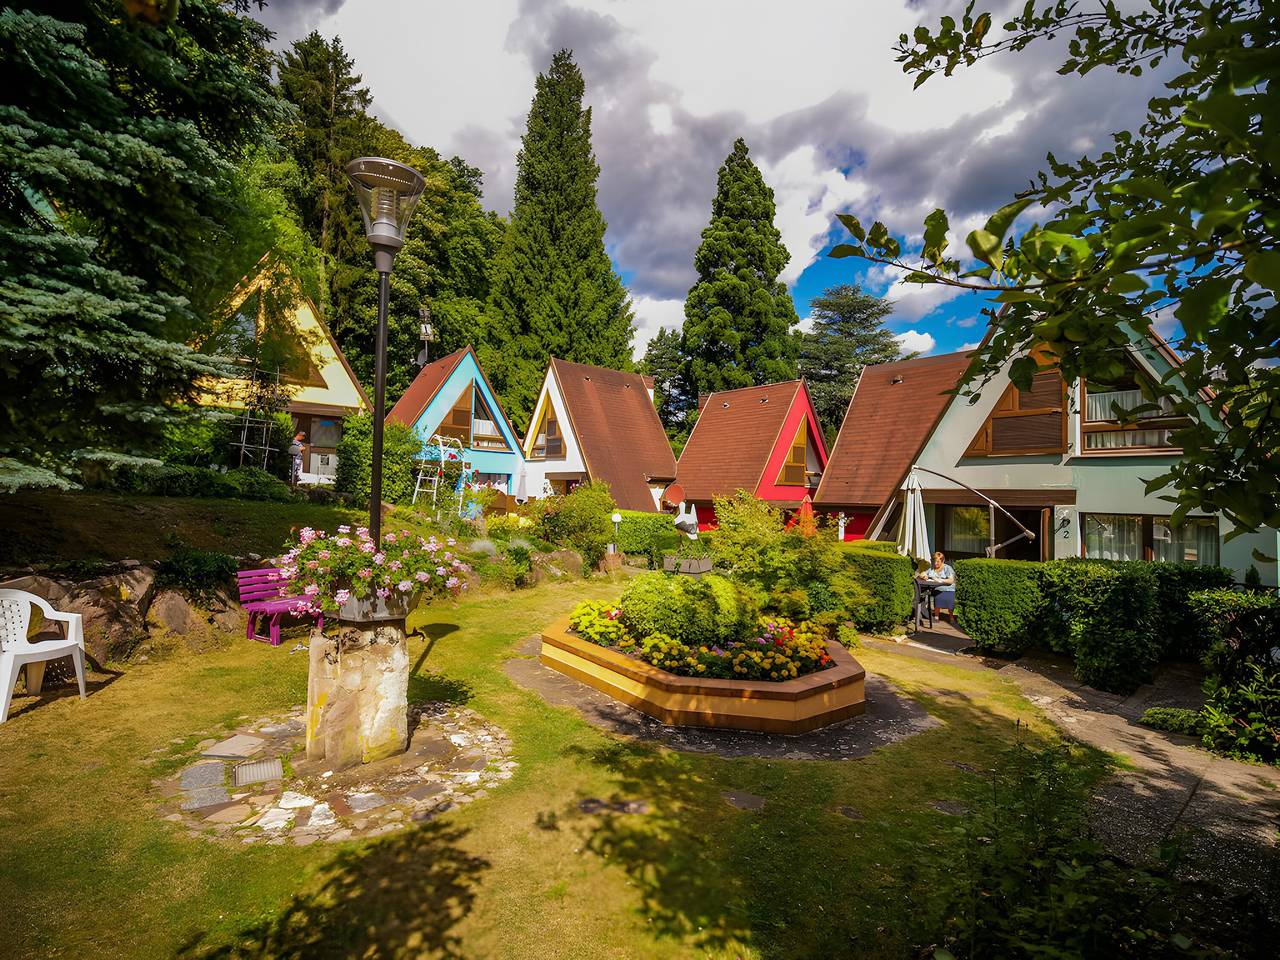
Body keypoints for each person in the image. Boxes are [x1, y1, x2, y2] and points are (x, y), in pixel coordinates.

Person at [914, 551, 956, 625]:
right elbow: (922, 573)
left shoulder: (947, 568)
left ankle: (951, 616)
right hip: (936, 588)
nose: (936, 563)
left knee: (946, 597)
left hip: (947, 588)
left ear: (942, 561)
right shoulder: (932, 568)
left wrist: (940, 580)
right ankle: (936, 615)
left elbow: (951, 580)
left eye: (938, 561)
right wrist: (924, 576)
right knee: (935, 593)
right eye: (934, 561)